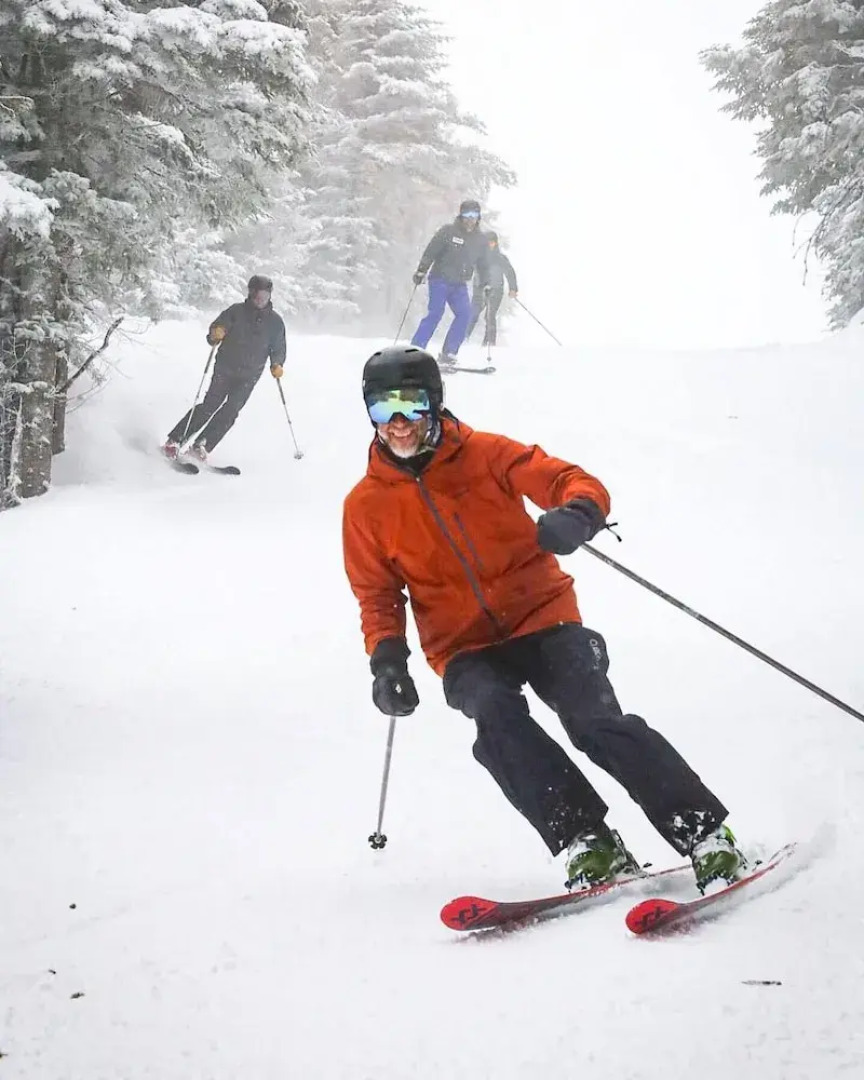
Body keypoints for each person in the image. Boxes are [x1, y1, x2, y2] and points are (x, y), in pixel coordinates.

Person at [342, 345, 747, 893]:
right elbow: (378, 593)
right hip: (462, 645)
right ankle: (587, 842)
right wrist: (387, 659)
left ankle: (703, 833)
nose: (397, 423)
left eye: (410, 405)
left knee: (594, 720)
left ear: (434, 403)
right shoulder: (365, 505)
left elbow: (568, 479)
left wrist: (577, 514)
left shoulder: (488, 454)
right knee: (495, 717)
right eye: (381, 409)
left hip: (542, 616)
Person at [162, 275, 286, 464]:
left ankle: (202, 445)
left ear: (270, 296)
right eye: (257, 294)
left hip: (250, 375)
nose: (261, 299)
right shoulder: (235, 312)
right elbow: (215, 331)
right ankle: (175, 440)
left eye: (265, 295)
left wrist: (277, 364)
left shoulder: (275, 323)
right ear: (250, 293)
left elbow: (278, 348)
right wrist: (216, 333)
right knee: (210, 405)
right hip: (225, 368)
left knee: (231, 410)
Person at [410, 199, 491, 365]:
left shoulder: (480, 240)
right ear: (461, 216)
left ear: (478, 217)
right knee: (436, 313)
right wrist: (421, 270)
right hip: (440, 279)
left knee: (465, 314)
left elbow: (483, 265)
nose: (470, 219)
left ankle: (449, 353)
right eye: (466, 215)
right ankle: (416, 350)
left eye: (474, 215)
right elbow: (431, 251)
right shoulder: (448, 231)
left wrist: (486, 283)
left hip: (459, 284)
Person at [466, 231, 518, 346]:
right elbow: (469, 269)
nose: (490, 244)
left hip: (496, 290)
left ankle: (489, 342)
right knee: (473, 314)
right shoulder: (478, 257)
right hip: (479, 289)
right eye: (487, 242)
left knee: (490, 315)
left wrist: (513, 288)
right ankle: (464, 338)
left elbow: (510, 273)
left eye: (492, 242)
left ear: (496, 243)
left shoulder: (500, 258)